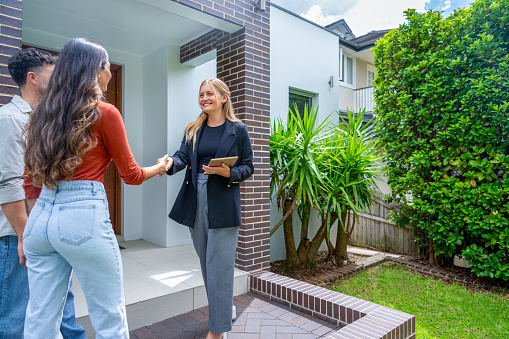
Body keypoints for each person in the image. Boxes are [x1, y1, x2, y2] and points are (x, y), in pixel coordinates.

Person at [22, 38, 168, 339]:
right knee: (109, 318)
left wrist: (34, 228)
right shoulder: (103, 113)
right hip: (81, 216)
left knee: (40, 319)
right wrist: (160, 166)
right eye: (106, 65)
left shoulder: (41, 115)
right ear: (93, 70)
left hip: (39, 218)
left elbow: (29, 178)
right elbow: (132, 175)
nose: (110, 73)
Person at [0, 48, 86, 338]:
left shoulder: (47, 120)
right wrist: (26, 235)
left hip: (50, 231)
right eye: (54, 73)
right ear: (33, 77)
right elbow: (9, 184)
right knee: (17, 316)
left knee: (63, 310)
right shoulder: (9, 119)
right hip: (19, 237)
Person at [165, 78, 254, 339]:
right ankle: (224, 311)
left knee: (220, 266)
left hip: (223, 201)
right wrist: (169, 162)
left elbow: (249, 166)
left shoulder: (238, 130)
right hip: (196, 200)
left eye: (210, 94)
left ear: (224, 97)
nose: (204, 98)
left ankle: (217, 331)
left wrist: (229, 172)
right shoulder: (193, 129)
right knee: (207, 265)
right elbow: (182, 157)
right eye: (201, 94)